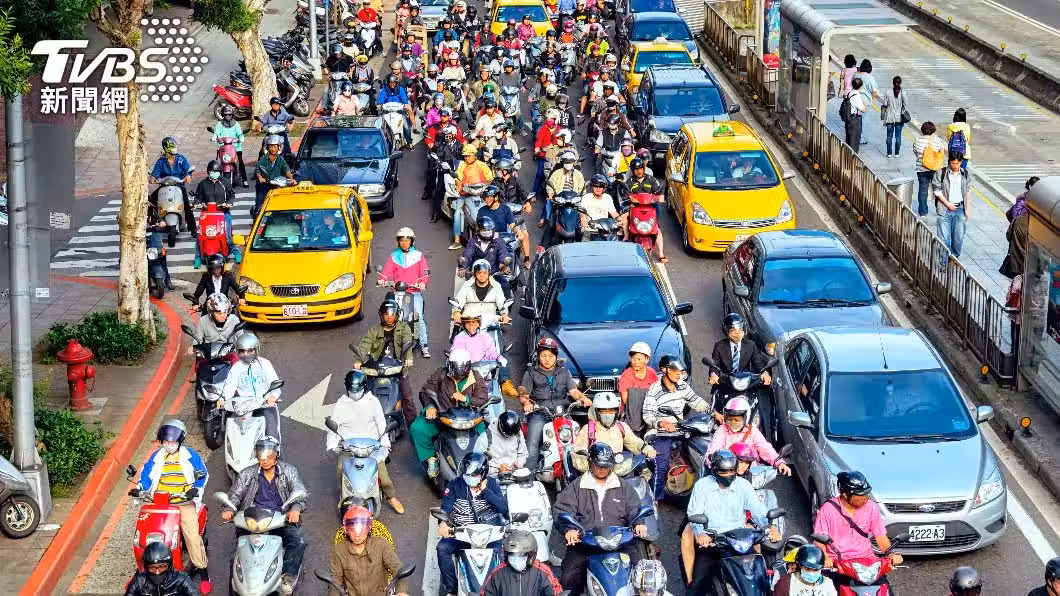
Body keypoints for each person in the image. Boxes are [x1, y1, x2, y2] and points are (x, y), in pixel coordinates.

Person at [554, 443, 647, 593]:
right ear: (590, 463)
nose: (603, 469)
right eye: (599, 466)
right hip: (586, 543)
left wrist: (638, 522)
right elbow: (562, 510)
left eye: (606, 466)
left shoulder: (623, 486)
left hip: (620, 542)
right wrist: (569, 529)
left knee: (643, 575)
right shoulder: (576, 487)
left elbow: (634, 508)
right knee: (568, 578)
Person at [220, 437, 308, 595]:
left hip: (280, 520)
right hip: (252, 521)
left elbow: (299, 492)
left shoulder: (289, 471)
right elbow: (234, 495)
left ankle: (288, 576)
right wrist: (228, 508)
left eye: (269, 456)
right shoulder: (247, 474)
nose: (265, 460)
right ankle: (236, 588)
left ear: (276, 454)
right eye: (261, 456)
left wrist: (295, 508)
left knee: (298, 542)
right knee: (236, 556)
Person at [685, 450, 781, 593]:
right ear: (715, 471)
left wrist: (771, 526)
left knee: (761, 579)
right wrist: (701, 533)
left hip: (739, 541)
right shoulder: (702, 485)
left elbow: (758, 510)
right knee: (698, 585)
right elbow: (695, 513)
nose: (728, 475)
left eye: (731, 471)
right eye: (724, 472)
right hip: (713, 541)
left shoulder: (744, 485)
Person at [131, 420, 210, 593]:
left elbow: (202, 474)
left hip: (183, 502)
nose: (169, 444)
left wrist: (195, 489)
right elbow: (146, 475)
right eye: (166, 441)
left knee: (192, 537)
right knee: (144, 535)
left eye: (172, 441)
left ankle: (204, 573)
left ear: (180, 440)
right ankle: (142, 571)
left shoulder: (191, 455)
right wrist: (139, 488)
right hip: (160, 502)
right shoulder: (156, 457)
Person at [327, 370, 404, 514]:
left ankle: (391, 497)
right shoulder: (341, 404)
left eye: (358, 390)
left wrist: (384, 441)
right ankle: (344, 498)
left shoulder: (372, 402)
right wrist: (333, 443)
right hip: (349, 448)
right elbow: (334, 425)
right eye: (352, 391)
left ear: (364, 388)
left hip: (371, 447)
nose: (355, 394)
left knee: (383, 477)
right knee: (340, 469)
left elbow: (381, 423)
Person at [812, 471, 902, 586]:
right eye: (860, 495)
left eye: (867, 494)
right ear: (845, 494)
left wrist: (891, 554)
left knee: (884, 590)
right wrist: (825, 557)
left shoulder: (871, 507)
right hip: (839, 565)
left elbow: (881, 537)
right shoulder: (827, 510)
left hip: (867, 563)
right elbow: (819, 541)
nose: (865, 498)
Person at [437, 452, 509, 596]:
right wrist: (443, 523)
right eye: (467, 474)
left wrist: (485, 491)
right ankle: (452, 589)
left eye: (474, 475)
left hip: (490, 534)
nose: (469, 477)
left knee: (503, 557)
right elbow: (445, 508)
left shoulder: (492, 484)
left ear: (483, 474)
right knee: (442, 548)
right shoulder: (454, 485)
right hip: (462, 534)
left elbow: (503, 508)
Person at [410, 349, 490, 476]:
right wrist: (430, 406)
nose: (459, 374)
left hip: (469, 420)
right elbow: (425, 391)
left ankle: (481, 461)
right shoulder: (440, 374)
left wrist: (466, 399)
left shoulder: (476, 377)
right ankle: (431, 458)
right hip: (443, 417)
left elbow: (483, 398)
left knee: (487, 435)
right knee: (417, 429)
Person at [642, 355, 710, 499]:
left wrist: (713, 412)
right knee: (661, 465)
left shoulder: (682, 385)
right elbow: (648, 416)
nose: (679, 374)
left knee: (702, 452)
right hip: (659, 432)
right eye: (675, 371)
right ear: (664, 370)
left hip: (680, 428)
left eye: (681, 371)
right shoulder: (654, 389)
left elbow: (695, 401)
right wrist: (662, 423)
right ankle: (656, 498)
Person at [353, 299, 417, 423]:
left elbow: (407, 342)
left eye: (392, 314)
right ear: (381, 315)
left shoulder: (404, 328)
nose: (389, 317)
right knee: (361, 394)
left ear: (397, 315)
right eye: (386, 314)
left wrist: (408, 358)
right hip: (376, 370)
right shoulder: (374, 330)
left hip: (397, 369)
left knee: (407, 398)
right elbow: (365, 344)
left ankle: (412, 426)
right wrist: (358, 360)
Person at [329, 505, 410, 596]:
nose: (357, 535)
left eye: (362, 530)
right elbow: (335, 578)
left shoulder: (381, 544)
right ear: (346, 530)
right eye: (352, 530)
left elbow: (397, 568)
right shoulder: (339, 549)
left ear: (369, 528)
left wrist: (402, 591)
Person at [570, 391, 655, 472]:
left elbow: (635, 443)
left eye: (611, 411)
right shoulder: (588, 429)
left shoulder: (621, 427)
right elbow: (579, 450)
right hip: (596, 473)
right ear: (596, 412)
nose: (608, 414)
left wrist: (647, 449)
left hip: (619, 470)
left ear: (616, 412)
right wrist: (588, 461)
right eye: (604, 411)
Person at [379, 227, 431, 358]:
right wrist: (382, 279)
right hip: (397, 292)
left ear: (412, 241)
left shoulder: (418, 255)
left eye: (407, 240)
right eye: (401, 240)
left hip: (414, 292)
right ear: (398, 241)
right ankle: (384, 342)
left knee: (418, 317)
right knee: (389, 315)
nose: (404, 243)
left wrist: (423, 282)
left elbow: (424, 271)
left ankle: (424, 344)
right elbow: (387, 270)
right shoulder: (394, 256)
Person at [220, 333, 282, 441]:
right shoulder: (236, 368)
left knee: (271, 438)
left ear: (256, 350)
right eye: (242, 351)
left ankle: (275, 452)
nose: (246, 354)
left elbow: (275, 384)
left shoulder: (265, 364)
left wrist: (273, 397)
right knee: (236, 436)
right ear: (238, 351)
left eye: (249, 351)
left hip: (265, 405)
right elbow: (229, 386)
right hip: (244, 407)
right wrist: (223, 399)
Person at [708, 313, 773, 415]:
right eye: (733, 330)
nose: (737, 333)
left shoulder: (751, 345)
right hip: (726, 384)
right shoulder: (719, 346)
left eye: (740, 329)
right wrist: (713, 374)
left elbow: (758, 364)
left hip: (745, 384)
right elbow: (714, 365)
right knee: (715, 412)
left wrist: (764, 373)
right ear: (726, 331)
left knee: (757, 409)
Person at [451, 310, 516, 396]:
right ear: (464, 324)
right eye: (468, 323)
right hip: (465, 373)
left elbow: (492, 353)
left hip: (483, 372)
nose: (471, 325)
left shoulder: (485, 336)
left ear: (478, 323)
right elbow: (456, 354)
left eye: (474, 322)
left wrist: (499, 358)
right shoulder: (459, 338)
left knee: (494, 392)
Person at [481, 528, 563, 596]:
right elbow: (487, 593)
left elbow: (556, 591)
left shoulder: (542, 571)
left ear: (531, 555)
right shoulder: (498, 573)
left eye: (521, 555)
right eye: (512, 555)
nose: (516, 559)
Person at [193, 160, 238, 267]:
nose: (214, 173)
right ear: (208, 172)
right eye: (212, 171)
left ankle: (236, 252)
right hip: (207, 214)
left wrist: (229, 203)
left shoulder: (225, 182)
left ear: (220, 172)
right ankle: (198, 257)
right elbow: (197, 198)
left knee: (227, 236)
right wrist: (198, 203)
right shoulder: (203, 184)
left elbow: (232, 195)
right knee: (200, 236)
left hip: (223, 213)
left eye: (216, 171)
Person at [149, 136, 197, 238]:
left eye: (175, 146)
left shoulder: (181, 159)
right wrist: (153, 178)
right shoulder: (161, 161)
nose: (174, 148)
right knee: (151, 200)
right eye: (172, 146)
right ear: (166, 148)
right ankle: (154, 221)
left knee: (187, 206)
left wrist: (188, 176)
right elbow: (155, 173)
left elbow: (188, 170)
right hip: (164, 186)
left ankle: (193, 229)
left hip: (179, 186)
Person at [486, 166, 533, 265]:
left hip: (515, 214)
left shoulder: (516, 181)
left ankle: (527, 259)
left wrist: (527, 203)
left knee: (525, 235)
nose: (497, 171)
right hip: (499, 214)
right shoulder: (495, 182)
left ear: (506, 170)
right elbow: (489, 195)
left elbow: (525, 195)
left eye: (499, 169)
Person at [624, 158, 667, 262]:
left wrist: (660, 197)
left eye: (640, 169)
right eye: (636, 169)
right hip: (635, 208)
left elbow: (659, 192)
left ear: (643, 169)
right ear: (632, 170)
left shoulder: (651, 179)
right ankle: (626, 237)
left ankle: (661, 254)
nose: (638, 171)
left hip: (650, 208)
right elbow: (625, 195)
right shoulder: (629, 182)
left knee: (657, 229)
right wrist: (629, 200)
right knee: (626, 221)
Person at [453, 144, 495, 249]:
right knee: (457, 213)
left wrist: (488, 185)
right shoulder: (462, 166)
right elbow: (458, 179)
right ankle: (457, 240)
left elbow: (490, 178)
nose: (466, 158)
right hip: (466, 195)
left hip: (481, 194)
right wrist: (459, 186)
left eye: (468, 156)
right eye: (465, 156)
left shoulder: (482, 165)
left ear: (474, 155)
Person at [932, 151, 971, 262]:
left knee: (958, 236)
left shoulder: (965, 174)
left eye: (957, 163)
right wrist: (948, 204)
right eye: (953, 163)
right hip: (944, 209)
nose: (955, 166)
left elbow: (967, 192)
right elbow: (937, 190)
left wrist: (968, 210)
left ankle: (954, 258)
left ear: (961, 162)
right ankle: (943, 261)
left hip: (960, 209)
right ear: (949, 162)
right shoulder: (941, 173)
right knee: (944, 238)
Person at [124, 541, 200, 596]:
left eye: (162, 567)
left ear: (169, 565)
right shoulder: (139, 581)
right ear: (146, 567)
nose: (157, 572)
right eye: (152, 568)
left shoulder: (182, 580)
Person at [618, 341, 658, 433]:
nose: (636, 362)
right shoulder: (626, 375)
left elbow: (657, 392)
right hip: (632, 414)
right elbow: (626, 401)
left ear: (647, 359)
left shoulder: (651, 373)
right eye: (633, 359)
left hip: (650, 410)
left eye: (639, 359)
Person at [1003, 176, 1036, 279]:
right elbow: (1014, 214)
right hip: (1021, 231)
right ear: (1030, 186)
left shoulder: (1034, 200)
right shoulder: (1023, 199)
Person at [911, 121, 946, 217]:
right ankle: (939, 210)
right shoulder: (937, 141)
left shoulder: (917, 141)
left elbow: (915, 152)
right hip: (935, 169)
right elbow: (942, 152)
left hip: (921, 169)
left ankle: (923, 212)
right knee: (938, 189)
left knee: (923, 190)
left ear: (922, 130)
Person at [254, 134, 296, 216]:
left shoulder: (280, 159)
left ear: (279, 148)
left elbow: (287, 171)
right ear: (268, 147)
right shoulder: (264, 159)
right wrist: (260, 177)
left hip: (276, 184)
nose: (273, 149)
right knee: (260, 204)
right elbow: (258, 170)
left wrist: (292, 179)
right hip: (264, 185)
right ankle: (256, 215)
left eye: (275, 147)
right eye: (271, 146)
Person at [212, 104, 248, 187]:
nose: (228, 116)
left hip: (235, 148)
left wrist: (241, 138)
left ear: (232, 115)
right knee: (218, 163)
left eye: (230, 114)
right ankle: (216, 178)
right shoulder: (219, 124)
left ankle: (244, 179)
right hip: (223, 148)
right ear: (223, 115)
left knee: (240, 163)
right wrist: (214, 137)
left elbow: (240, 133)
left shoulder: (236, 124)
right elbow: (216, 133)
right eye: (226, 114)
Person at [377, 74, 415, 146]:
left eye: (394, 83)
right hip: (387, 112)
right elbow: (380, 100)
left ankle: (409, 142)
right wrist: (379, 105)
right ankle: (379, 142)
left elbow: (404, 100)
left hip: (399, 112)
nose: (392, 84)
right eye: (390, 83)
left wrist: (405, 105)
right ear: (388, 83)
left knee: (406, 127)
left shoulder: (400, 89)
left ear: (396, 83)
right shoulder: (384, 90)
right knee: (379, 125)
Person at [880, 75, 907, 158]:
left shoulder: (888, 92)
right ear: (900, 83)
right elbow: (905, 103)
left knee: (889, 136)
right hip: (899, 117)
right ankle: (897, 153)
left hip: (889, 117)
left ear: (893, 83)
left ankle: (889, 153)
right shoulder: (903, 92)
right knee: (898, 136)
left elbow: (885, 104)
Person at [842, 78, 867, 153]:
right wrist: (864, 104)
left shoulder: (850, 93)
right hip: (854, 120)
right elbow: (863, 109)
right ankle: (852, 158)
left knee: (849, 139)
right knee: (854, 140)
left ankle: (848, 156)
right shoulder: (856, 96)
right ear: (860, 86)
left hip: (849, 119)